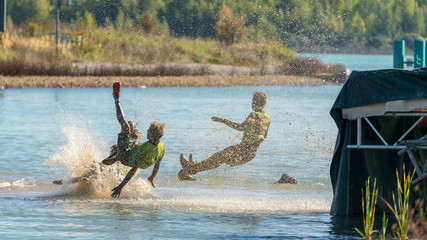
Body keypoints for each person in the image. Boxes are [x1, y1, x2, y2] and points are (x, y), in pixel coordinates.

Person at [178, 91, 270, 180]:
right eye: (252, 102)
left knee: (217, 158)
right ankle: (193, 168)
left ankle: (191, 169)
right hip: (251, 154)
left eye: (254, 102)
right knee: (218, 159)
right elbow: (264, 136)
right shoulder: (268, 118)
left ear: (260, 103)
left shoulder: (254, 115)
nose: (252, 104)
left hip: (243, 150)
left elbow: (240, 127)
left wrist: (223, 121)